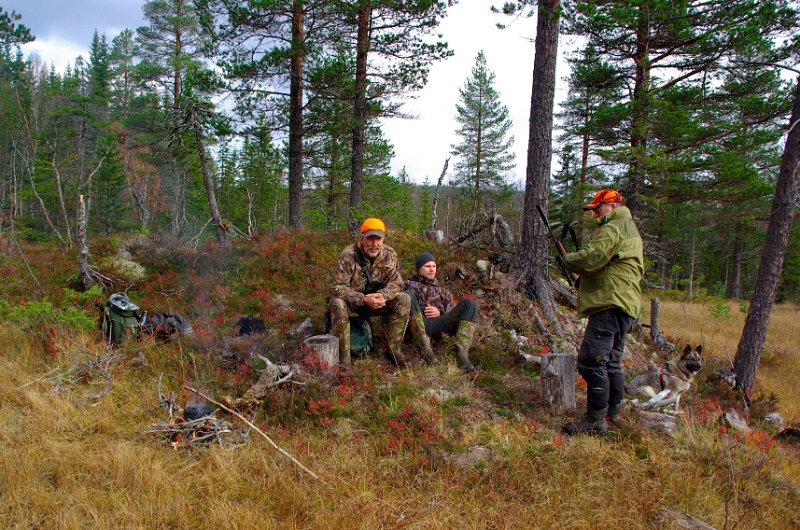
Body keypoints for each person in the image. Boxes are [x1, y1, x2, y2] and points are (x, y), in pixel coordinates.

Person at [560, 189, 644, 435]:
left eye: (599, 208)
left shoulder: (613, 228)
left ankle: (595, 421)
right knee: (611, 362)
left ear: (614, 206)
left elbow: (592, 258)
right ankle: (612, 412)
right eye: (593, 209)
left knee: (591, 361)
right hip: (626, 305)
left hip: (609, 302)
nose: (595, 213)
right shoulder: (629, 229)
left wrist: (569, 260)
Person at [329, 218, 411, 368]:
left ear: (383, 239)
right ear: (362, 238)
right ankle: (344, 359)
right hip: (354, 303)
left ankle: (393, 349)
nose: (374, 244)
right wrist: (363, 299)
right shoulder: (348, 255)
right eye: (370, 239)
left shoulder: (389, 254)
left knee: (404, 299)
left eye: (378, 239)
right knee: (337, 303)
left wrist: (383, 295)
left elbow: (397, 282)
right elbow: (337, 287)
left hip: (378, 301)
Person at [404, 252, 479, 372]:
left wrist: (440, 312)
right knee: (408, 295)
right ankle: (427, 351)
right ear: (419, 269)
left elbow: (452, 312)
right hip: (419, 324)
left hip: (439, 324)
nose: (431, 269)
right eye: (427, 266)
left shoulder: (443, 291)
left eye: (434, 266)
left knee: (470, 304)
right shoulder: (408, 285)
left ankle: (462, 354)